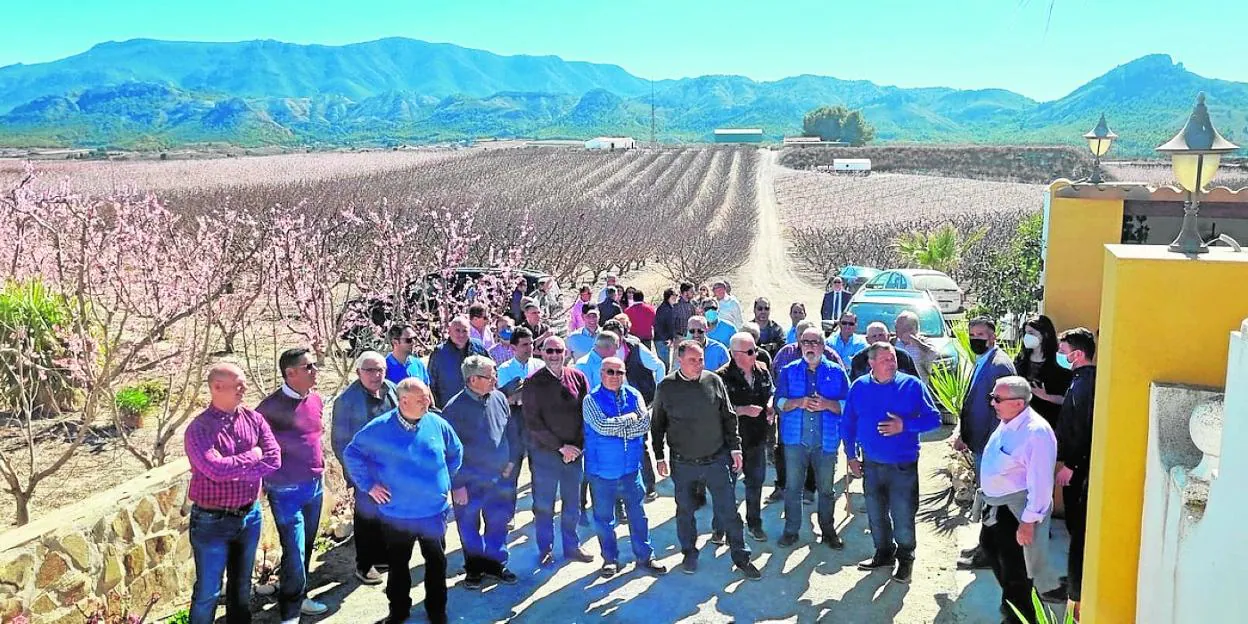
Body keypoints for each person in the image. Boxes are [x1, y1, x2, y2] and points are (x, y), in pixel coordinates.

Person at [343, 379, 461, 624]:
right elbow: (352, 453)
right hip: (398, 514)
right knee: (398, 566)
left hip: (433, 511)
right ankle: (398, 611)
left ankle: (437, 611)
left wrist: (445, 479)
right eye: (422, 399)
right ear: (404, 400)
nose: (428, 402)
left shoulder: (437, 423)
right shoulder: (379, 428)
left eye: (428, 396)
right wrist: (369, 486)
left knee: (437, 563)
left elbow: (456, 451)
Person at [652, 340, 763, 580]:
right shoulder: (666, 387)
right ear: (679, 360)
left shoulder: (714, 381)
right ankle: (689, 553)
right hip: (683, 463)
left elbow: (729, 417)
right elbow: (657, 424)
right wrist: (659, 455)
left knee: (729, 510)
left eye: (701, 359)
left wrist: (735, 449)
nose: (698, 364)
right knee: (685, 511)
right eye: (692, 360)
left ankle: (741, 556)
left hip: (716, 459)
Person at [185, 363, 281, 624]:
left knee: (241, 587)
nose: (244, 388)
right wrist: (253, 456)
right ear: (217, 388)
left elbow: (273, 459)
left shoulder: (254, 418)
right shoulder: (199, 429)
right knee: (209, 590)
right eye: (238, 384)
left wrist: (238, 468)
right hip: (211, 521)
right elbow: (214, 469)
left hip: (250, 515)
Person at [844, 342, 942, 584]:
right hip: (872, 464)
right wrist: (850, 455)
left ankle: (906, 558)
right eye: (886, 359)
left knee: (903, 514)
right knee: (876, 514)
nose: (892, 363)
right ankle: (884, 553)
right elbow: (848, 422)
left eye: (893, 359)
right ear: (872, 363)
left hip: (902, 465)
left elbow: (934, 419)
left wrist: (905, 426)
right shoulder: (859, 387)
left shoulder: (912, 386)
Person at [256, 348, 328, 621]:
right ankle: (290, 612)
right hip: (285, 490)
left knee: (306, 546)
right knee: (294, 549)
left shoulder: (316, 400)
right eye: (308, 366)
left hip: (314, 485)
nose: (315, 370)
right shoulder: (268, 410)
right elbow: (258, 448)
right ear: (290, 373)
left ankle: (300, 594)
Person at [979, 376, 1058, 624]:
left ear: (1019, 403)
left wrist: (1028, 522)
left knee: (1017, 568)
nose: (993, 403)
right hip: (997, 507)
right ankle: (1012, 604)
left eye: (998, 399)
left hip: (1017, 512)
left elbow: (1042, 484)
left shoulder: (1037, 433)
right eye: (992, 397)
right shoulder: (1008, 421)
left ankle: (1020, 616)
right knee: (991, 550)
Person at [582, 356, 669, 577]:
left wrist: (621, 425)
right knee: (604, 519)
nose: (614, 377)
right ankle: (610, 559)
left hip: (631, 470)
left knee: (638, 515)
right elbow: (601, 426)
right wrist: (629, 420)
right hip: (602, 472)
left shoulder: (634, 395)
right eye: (610, 372)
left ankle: (645, 556)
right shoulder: (590, 399)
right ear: (601, 374)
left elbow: (644, 424)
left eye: (619, 372)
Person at [442, 355, 522, 589]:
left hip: (499, 478)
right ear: (473, 379)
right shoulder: (454, 409)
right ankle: (474, 569)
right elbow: (448, 452)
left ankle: (496, 565)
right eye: (490, 375)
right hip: (469, 482)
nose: (496, 379)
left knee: (498, 523)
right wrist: (457, 485)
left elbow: (511, 432)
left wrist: (511, 462)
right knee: (469, 527)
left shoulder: (498, 398)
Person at [774, 328, 851, 549]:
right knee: (793, 488)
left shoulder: (836, 372)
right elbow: (779, 401)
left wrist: (828, 404)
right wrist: (798, 402)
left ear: (823, 346)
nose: (810, 346)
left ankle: (828, 531)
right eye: (805, 342)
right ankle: (791, 531)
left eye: (815, 342)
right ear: (800, 345)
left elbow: (848, 405)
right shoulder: (788, 371)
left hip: (825, 441)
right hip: (795, 440)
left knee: (826, 490)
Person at [523, 336, 595, 565]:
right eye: (549, 351)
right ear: (542, 353)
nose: (554, 355)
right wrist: (561, 447)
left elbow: (588, 414)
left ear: (566, 353)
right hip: (545, 455)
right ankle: (545, 549)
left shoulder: (578, 378)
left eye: (559, 351)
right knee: (544, 505)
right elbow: (533, 423)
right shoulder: (533, 382)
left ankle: (572, 547)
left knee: (572, 504)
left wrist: (578, 448)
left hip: (574, 455)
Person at [330, 351, 397, 586]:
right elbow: (339, 443)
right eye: (369, 370)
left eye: (379, 369)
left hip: (391, 468)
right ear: (358, 372)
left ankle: (382, 557)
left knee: (387, 514)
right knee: (367, 517)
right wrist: (359, 478)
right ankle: (365, 565)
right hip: (365, 472)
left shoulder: (392, 390)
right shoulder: (346, 401)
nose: (375, 375)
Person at [956, 317, 1017, 570]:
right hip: (981, 443)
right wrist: (964, 434)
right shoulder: (984, 361)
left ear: (993, 336)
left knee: (992, 501)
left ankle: (989, 553)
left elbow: (1004, 413)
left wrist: (997, 451)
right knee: (987, 498)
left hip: (992, 448)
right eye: (972, 334)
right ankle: (985, 546)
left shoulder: (999, 366)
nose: (975, 339)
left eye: (981, 334)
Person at [1044, 328, 1097, 608]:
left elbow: (1084, 429)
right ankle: (1074, 584)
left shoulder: (1085, 384)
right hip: (1078, 467)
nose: (1060, 356)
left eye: (1063, 352)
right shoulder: (1080, 380)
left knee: (1079, 531)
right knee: (1075, 530)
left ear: (1077, 354)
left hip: (1081, 469)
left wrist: (1072, 467)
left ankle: (1076, 592)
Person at [717, 332, 774, 542]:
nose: (755, 354)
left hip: (758, 438)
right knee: (725, 485)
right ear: (735, 354)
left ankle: (754, 523)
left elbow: (771, 391)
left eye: (755, 349)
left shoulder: (762, 370)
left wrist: (770, 406)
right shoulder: (721, 377)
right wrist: (742, 410)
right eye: (750, 351)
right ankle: (720, 525)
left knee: (755, 483)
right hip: (732, 442)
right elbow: (717, 409)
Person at [1013, 315, 1071, 427]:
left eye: (1031, 333)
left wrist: (1046, 396)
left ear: (1045, 334)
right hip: (1021, 421)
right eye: (1025, 333)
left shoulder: (1060, 361)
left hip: (1047, 422)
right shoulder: (1020, 361)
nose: (1027, 337)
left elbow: (1068, 399)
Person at [428, 316, 489, 408]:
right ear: (449, 331)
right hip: (450, 408)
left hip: (478, 406)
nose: (461, 335)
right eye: (457, 330)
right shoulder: (439, 353)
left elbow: (491, 372)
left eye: (464, 331)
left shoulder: (478, 347)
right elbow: (431, 384)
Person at [850, 322, 919, 381]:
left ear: (888, 336)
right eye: (874, 336)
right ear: (867, 340)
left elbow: (914, 382)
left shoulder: (903, 357)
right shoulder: (859, 360)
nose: (878, 339)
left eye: (881, 335)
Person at [894, 311, 940, 383]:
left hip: (918, 384)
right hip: (898, 386)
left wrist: (917, 343)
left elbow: (934, 354)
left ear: (916, 328)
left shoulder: (924, 341)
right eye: (899, 327)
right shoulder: (892, 342)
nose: (904, 331)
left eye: (907, 327)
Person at [654, 288, 679, 366]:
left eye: (676, 295)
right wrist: (666, 339)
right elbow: (658, 326)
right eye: (674, 295)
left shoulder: (670, 308)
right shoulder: (664, 308)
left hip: (665, 340)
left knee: (666, 364)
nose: (676, 297)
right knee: (664, 365)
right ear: (668, 296)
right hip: (662, 341)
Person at [672, 282, 697, 346]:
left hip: (692, 339)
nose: (693, 293)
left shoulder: (693, 304)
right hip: (679, 339)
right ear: (685, 293)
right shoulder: (675, 306)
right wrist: (676, 338)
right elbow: (671, 324)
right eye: (691, 291)